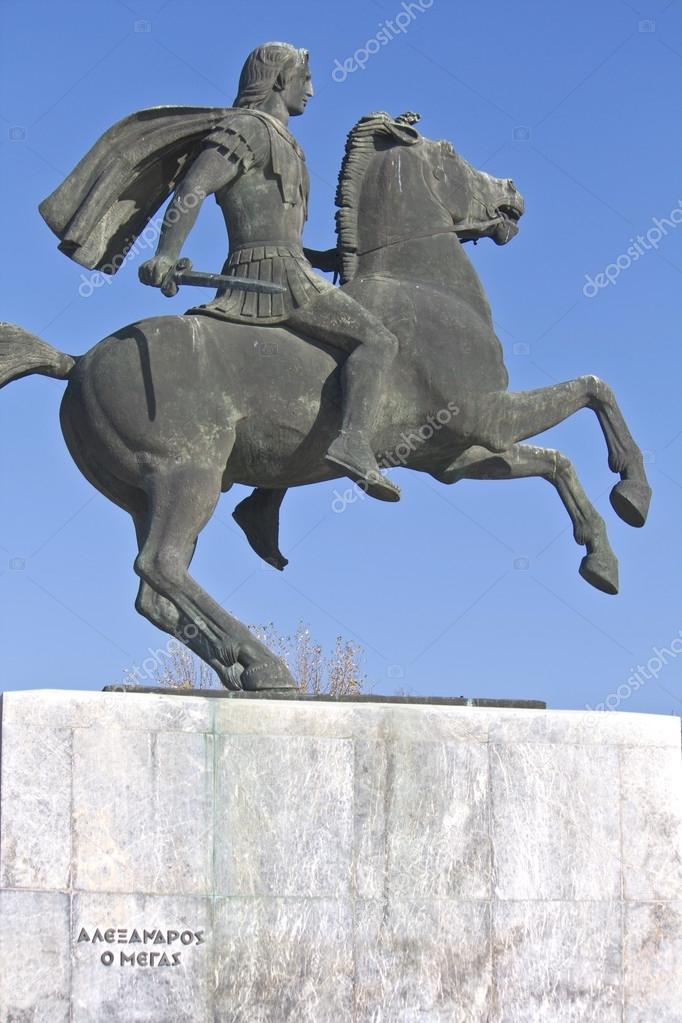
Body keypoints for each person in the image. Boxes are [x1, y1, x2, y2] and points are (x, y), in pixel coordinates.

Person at [139, 42, 400, 502]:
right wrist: (165, 252)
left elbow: (283, 233)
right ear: (281, 79)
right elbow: (193, 188)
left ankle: (265, 499)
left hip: (290, 267)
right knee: (377, 340)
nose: (313, 91)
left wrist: (322, 259)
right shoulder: (248, 129)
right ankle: (354, 444)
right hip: (273, 278)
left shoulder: (285, 140)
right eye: (307, 79)